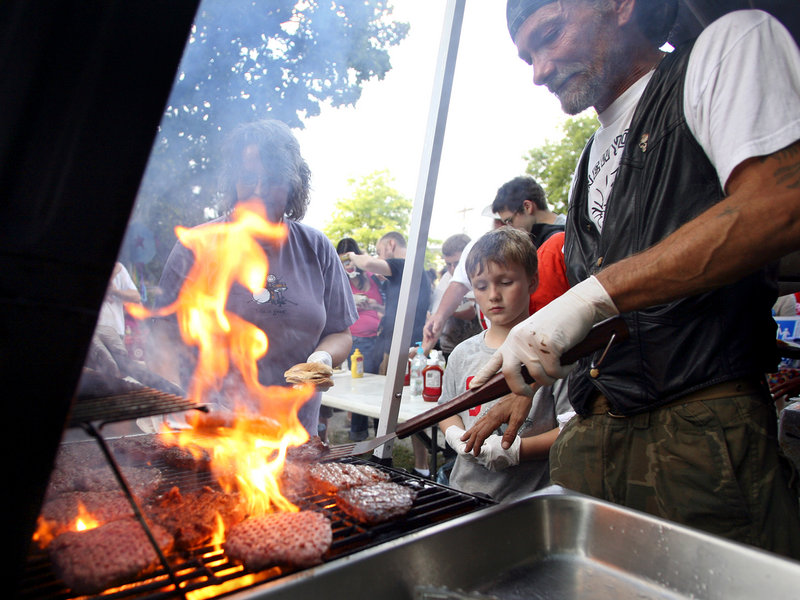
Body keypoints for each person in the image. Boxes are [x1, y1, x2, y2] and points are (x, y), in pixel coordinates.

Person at [465, 0, 800, 557]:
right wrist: (541, 373)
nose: (538, 70)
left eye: (549, 36)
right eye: (527, 56)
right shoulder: (588, 158)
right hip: (593, 442)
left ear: (620, 4)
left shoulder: (727, 47)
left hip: (701, 441)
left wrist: (586, 300)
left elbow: (780, 202)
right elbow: (630, 320)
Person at [149, 119, 357, 437]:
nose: (258, 190)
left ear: (293, 184)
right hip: (217, 435)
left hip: (297, 435)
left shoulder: (316, 247)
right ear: (234, 181)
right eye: (248, 178)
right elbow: (163, 339)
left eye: (272, 179)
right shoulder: (196, 246)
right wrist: (176, 406)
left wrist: (322, 357)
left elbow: (340, 333)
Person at [438, 227, 571, 501]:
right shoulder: (462, 353)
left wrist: (516, 450)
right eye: (481, 286)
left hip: (528, 500)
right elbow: (446, 408)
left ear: (532, 282)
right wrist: (454, 435)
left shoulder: (554, 352)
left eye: (506, 282)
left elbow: (571, 428)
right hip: (463, 492)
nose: (493, 295)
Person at [423, 179, 568, 353]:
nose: (507, 227)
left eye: (508, 220)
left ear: (528, 207)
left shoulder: (567, 239)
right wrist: (439, 317)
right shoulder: (505, 241)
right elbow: (459, 283)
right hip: (510, 346)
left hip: (553, 344)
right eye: (482, 286)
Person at [344, 231, 433, 476]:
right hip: (410, 345)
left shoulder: (403, 264)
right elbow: (399, 308)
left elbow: (369, 264)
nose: (380, 254)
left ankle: (384, 457)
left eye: (380, 249)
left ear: (391, 245)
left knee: (391, 404)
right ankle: (421, 467)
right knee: (414, 407)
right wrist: (375, 306)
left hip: (399, 348)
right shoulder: (415, 272)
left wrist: (352, 255)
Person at [336, 237, 385, 441]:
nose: (348, 265)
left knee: (377, 390)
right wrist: (351, 302)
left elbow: (385, 308)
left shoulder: (372, 278)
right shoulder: (338, 280)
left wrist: (373, 304)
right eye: (343, 260)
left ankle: (381, 436)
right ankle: (359, 435)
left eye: (350, 259)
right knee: (359, 389)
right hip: (354, 340)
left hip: (377, 338)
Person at [430, 233, 483, 361]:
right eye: (448, 264)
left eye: (457, 263)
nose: (453, 269)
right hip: (449, 348)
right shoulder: (446, 279)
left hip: (477, 350)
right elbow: (436, 314)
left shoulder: (481, 275)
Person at [86, 261, 143, 377]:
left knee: (117, 373)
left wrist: (115, 291)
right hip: (95, 334)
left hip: (116, 334)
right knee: (97, 374)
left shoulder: (119, 268)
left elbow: (136, 297)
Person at [492, 175, 565, 247]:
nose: (510, 229)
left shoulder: (566, 237)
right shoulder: (566, 231)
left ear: (527, 207)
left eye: (510, 221)